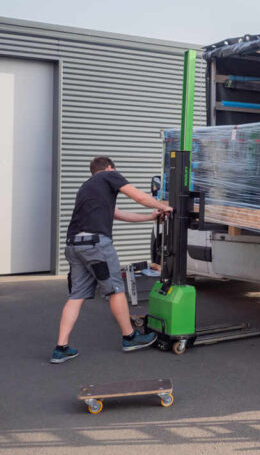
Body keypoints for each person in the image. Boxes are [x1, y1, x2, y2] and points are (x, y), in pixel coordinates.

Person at [51, 156, 173, 364]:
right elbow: (139, 197)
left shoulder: (86, 188)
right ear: (109, 168)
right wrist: (165, 207)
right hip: (96, 245)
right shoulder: (110, 175)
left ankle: (61, 347)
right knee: (116, 289)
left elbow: (117, 214)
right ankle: (130, 337)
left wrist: (150, 217)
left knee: (76, 295)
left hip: (74, 245)